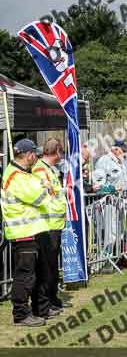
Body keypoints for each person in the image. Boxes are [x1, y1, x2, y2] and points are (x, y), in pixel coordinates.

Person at [2, 139, 64, 327]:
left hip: (33, 231)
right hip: (22, 232)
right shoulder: (15, 175)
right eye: (34, 155)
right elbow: (39, 197)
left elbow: (44, 191)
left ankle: (40, 310)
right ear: (28, 155)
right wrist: (45, 190)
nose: (36, 158)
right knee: (25, 277)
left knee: (39, 274)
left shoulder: (24, 173)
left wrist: (45, 189)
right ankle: (20, 314)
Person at [30, 138, 69, 313]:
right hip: (47, 224)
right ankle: (45, 302)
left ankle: (52, 299)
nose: (62, 156)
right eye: (61, 152)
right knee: (46, 266)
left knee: (52, 265)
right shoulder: (40, 170)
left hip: (55, 223)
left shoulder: (48, 170)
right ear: (57, 152)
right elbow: (45, 195)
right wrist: (63, 192)